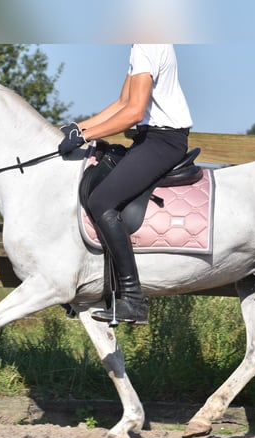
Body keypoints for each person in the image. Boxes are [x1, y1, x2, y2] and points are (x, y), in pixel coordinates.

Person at [58, 44, 193, 325]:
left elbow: (132, 113)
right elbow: (122, 102)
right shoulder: (145, 44)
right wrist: (78, 127)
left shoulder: (146, 45)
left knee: (102, 200)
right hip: (151, 138)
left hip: (162, 140)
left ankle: (132, 299)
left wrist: (85, 137)